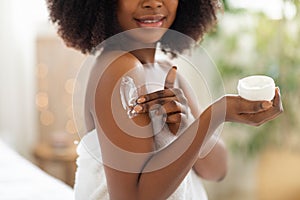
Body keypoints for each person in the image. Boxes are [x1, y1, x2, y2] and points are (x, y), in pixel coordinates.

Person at [46, 0, 283, 199]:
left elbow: (216, 170)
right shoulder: (119, 69)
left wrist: (189, 124)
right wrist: (216, 114)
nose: (153, 2)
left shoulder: (166, 70)